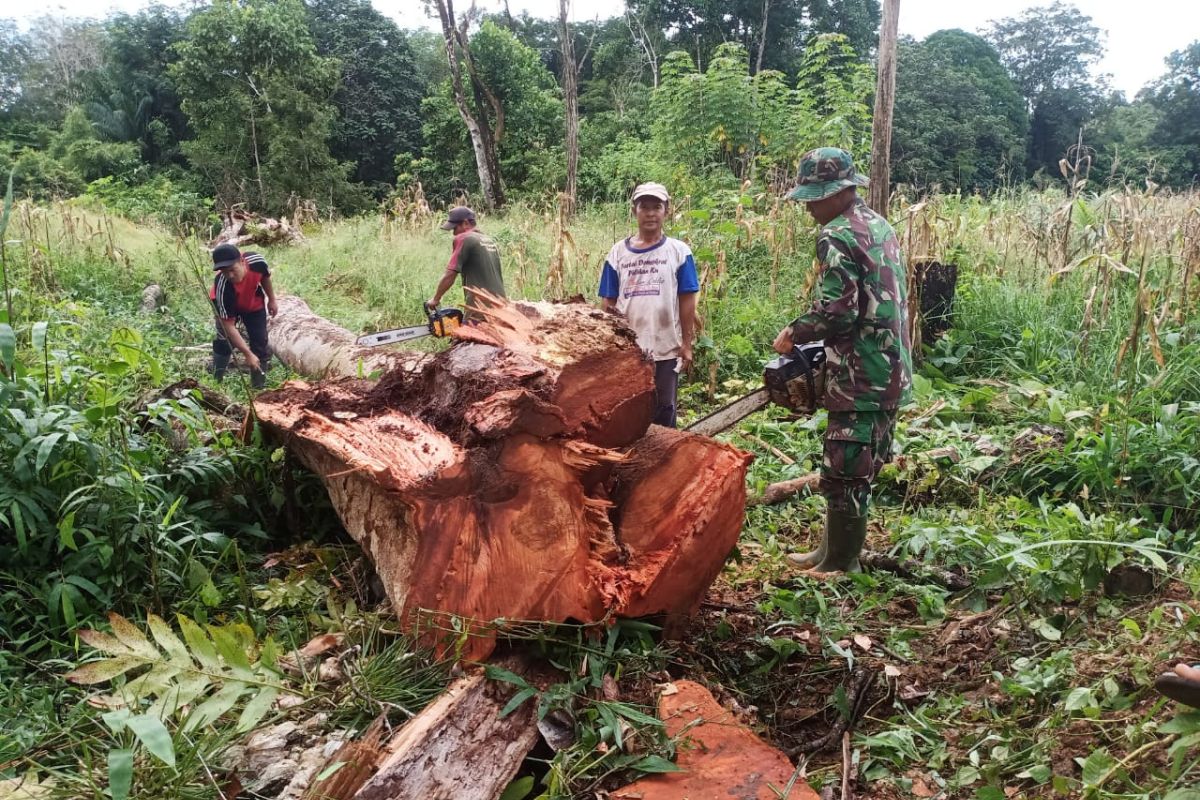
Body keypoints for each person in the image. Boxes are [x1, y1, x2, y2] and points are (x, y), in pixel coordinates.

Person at [774, 148, 913, 574]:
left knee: (845, 467)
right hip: (888, 369)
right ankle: (829, 550)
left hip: (859, 373)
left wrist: (794, 332)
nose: (811, 205)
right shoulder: (878, 224)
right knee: (852, 468)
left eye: (817, 195)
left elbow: (838, 310)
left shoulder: (836, 234)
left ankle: (840, 561)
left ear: (841, 191)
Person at [598, 182, 699, 428]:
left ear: (667, 211)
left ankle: (664, 463)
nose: (651, 213)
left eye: (657, 207)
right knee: (627, 415)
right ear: (634, 210)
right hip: (628, 351)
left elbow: (687, 302)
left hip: (665, 349)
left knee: (664, 413)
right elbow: (607, 303)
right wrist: (607, 347)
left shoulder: (679, 252)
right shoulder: (618, 253)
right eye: (644, 207)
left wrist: (687, 344)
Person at [209, 243, 277, 389]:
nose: (230, 275)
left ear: (242, 261)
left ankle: (258, 387)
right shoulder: (222, 286)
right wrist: (247, 354)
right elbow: (228, 326)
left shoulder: (257, 262)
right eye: (224, 272)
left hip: (252, 303)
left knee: (260, 341)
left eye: (232, 270)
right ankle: (216, 381)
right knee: (224, 342)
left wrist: (272, 299)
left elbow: (264, 277)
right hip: (227, 305)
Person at [427, 206, 506, 320]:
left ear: (465, 223)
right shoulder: (488, 240)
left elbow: (450, 274)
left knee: (462, 337)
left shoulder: (464, 238)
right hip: (502, 306)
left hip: (480, 308)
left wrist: (435, 299)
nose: (454, 233)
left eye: (455, 228)